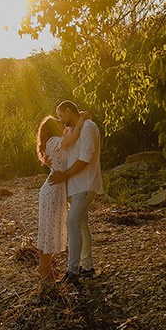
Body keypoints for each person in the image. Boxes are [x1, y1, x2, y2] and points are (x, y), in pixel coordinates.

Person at [48, 100, 103, 283]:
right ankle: (87, 267)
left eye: (61, 115)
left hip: (86, 184)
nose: (60, 119)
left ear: (69, 110)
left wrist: (63, 176)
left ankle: (73, 270)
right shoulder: (71, 130)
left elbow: (85, 158)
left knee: (72, 222)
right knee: (81, 224)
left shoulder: (88, 127)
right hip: (75, 186)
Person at [35, 112, 84, 286]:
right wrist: (82, 118)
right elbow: (75, 135)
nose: (61, 124)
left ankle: (44, 267)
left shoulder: (53, 143)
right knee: (48, 229)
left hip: (54, 189)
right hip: (52, 190)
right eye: (58, 123)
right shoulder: (54, 143)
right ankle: (44, 268)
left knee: (49, 228)